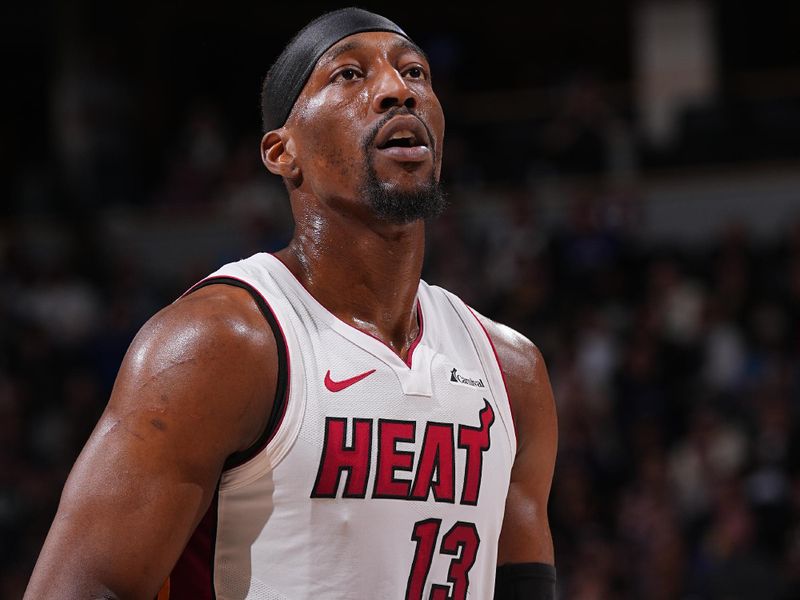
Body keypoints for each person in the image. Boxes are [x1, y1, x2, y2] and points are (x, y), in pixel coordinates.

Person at [25, 7, 557, 599]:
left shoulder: (512, 371)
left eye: (416, 74)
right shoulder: (219, 344)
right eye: (349, 76)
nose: (396, 91)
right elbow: (77, 586)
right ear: (283, 152)